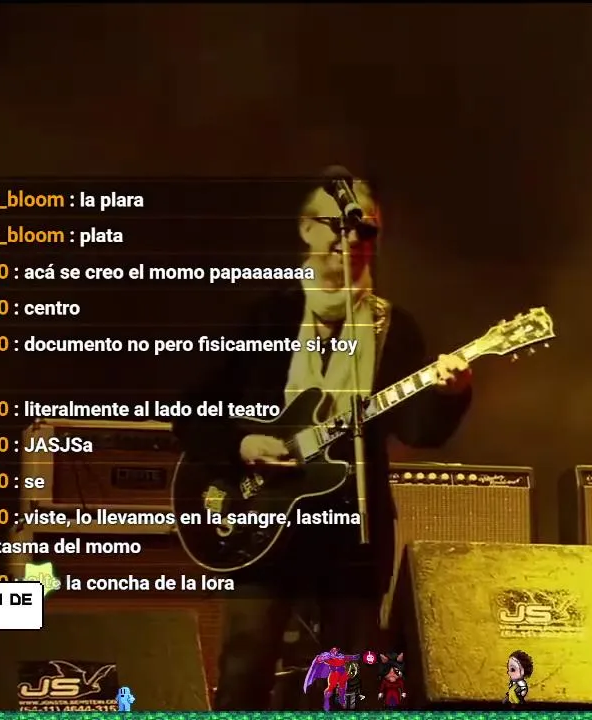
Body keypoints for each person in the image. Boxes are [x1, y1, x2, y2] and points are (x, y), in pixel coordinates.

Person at [173, 168, 472, 710]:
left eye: (365, 228)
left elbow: (417, 430)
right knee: (245, 670)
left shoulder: (392, 328)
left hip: (351, 535)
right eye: (336, 224)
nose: (349, 238)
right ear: (306, 229)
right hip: (258, 523)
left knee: (348, 686)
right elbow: (191, 413)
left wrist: (451, 392)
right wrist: (243, 446)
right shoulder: (265, 316)